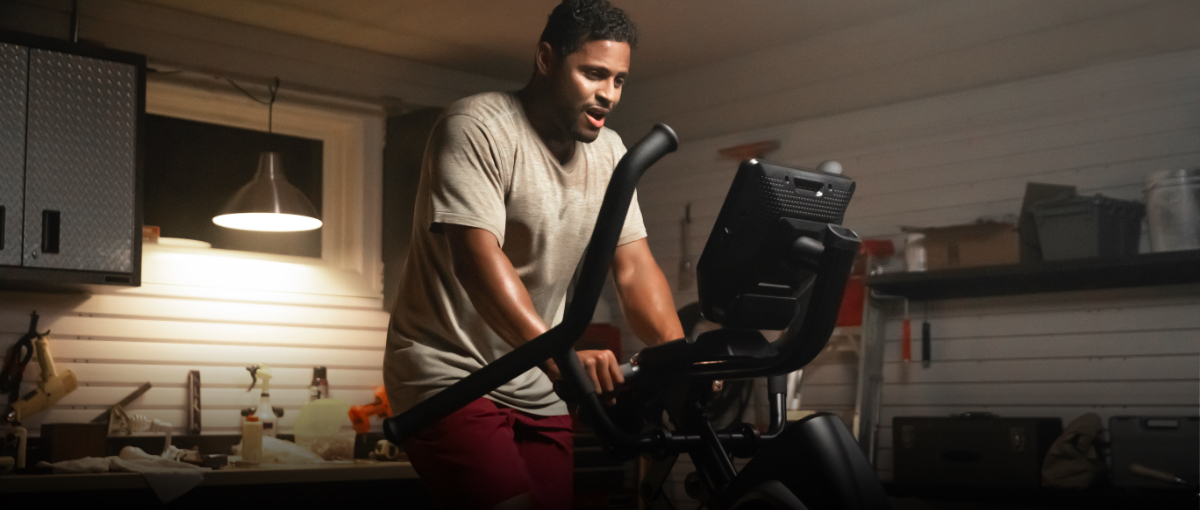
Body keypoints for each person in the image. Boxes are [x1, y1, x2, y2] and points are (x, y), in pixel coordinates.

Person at [383, 1, 684, 508]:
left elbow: (633, 268)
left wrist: (680, 359)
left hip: (537, 382)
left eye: (618, 80)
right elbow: (477, 261)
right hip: (451, 373)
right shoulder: (478, 127)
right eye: (593, 73)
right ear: (546, 59)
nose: (607, 94)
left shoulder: (611, 153)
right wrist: (562, 356)